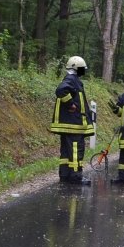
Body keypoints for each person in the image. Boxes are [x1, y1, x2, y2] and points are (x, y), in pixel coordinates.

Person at [50, 56, 94, 185]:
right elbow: (60, 90)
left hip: (68, 125)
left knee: (66, 151)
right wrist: (71, 104)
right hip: (73, 125)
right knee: (76, 150)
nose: (83, 71)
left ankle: (65, 175)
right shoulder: (71, 79)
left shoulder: (73, 80)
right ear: (75, 68)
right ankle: (75, 177)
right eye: (82, 69)